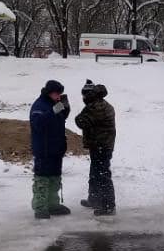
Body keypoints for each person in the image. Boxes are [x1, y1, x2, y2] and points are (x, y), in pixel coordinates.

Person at [29, 79, 72, 219]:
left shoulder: (55, 104)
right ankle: (40, 207)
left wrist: (65, 109)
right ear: (49, 93)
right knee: (42, 179)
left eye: (60, 94)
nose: (58, 96)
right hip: (44, 149)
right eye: (56, 94)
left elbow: (58, 121)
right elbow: (38, 124)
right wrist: (53, 111)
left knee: (54, 178)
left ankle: (53, 205)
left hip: (56, 149)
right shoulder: (39, 105)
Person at [74, 79, 116, 216]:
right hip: (99, 144)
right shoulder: (96, 104)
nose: (83, 98)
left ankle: (108, 206)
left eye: (85, 95)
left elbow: (82, 121)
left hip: (102, 145)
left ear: (90, 95)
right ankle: (94, 199)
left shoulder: (97, 107)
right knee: (95, 173)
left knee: (102, 175)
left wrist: (70, 111)